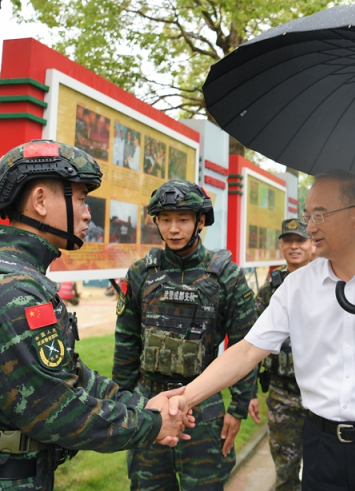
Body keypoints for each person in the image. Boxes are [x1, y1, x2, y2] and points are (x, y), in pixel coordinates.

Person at [167, 169, 355, 491]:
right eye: (308, 215)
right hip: (322, 446)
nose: (310, 227)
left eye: (320, 215)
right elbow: (248, 350)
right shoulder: (298, 285)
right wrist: (184, 399)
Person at [0, 140, 194, 491]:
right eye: (81, 199)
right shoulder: (12, 294)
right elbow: (55, 410)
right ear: (40, 201)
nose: (88, 214)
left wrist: (144, 404)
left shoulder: (19, 281)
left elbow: (71, 375)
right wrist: (151, 424)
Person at [113, 180, 257, 490]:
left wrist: (238, 407)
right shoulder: (141, 273)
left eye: (182, 219)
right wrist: (123, 403)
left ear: (200, 221)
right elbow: (126, 343)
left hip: (203, 407)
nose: (173, 229)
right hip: (149, 404)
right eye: (165, 219)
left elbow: (246, 345)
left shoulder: (226, 276)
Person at [248, 218, 312, 491]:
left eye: (301, 240)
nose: (294, 246)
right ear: (282, 245)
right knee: (285, 473)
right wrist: (249, 392)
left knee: (324, 472)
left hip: (321, 395)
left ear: (313, 245)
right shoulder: (268, 291)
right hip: (281, 395)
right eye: (289, 240)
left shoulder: (329, 285)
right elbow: (250, 343)